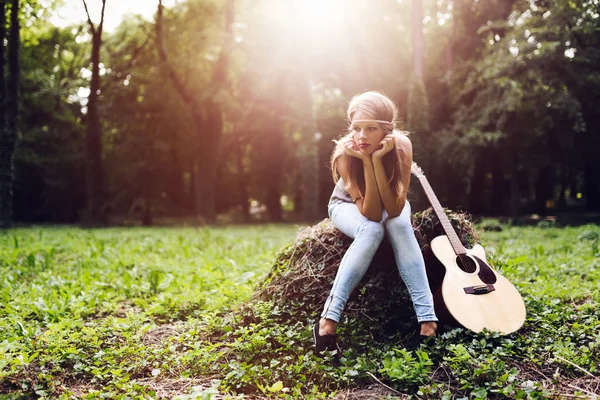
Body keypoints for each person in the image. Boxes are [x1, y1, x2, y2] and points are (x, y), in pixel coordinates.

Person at [313, 91, 438, 358]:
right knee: (371, 230)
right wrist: (367, 162)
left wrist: (379, 160)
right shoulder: (345, 155)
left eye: (371, 129)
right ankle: (327, 323)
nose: (361, 136)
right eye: (356, 128)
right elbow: (370, 214)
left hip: (389, 200)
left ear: (387, 130)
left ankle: (428, 323)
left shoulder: (402, 146)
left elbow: (393, 208)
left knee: (399, 225)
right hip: (347, 206)